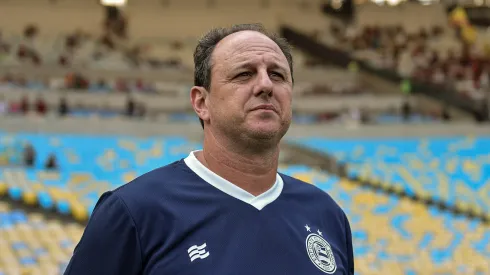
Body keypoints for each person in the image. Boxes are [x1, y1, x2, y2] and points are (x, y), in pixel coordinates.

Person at [64, 24, 354, 275]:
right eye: (244, 74)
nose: (265, 85)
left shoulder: (327, 215)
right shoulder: (133, 213)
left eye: (278, 75)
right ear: (201, 103)